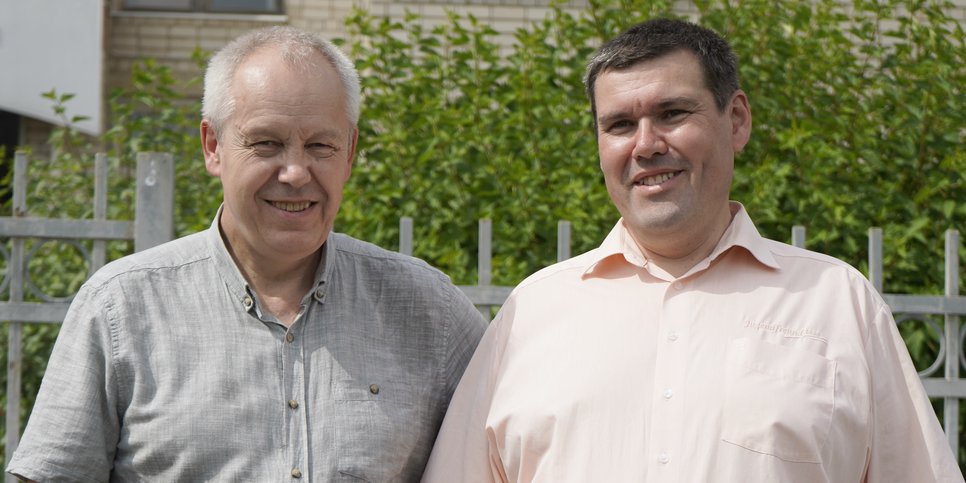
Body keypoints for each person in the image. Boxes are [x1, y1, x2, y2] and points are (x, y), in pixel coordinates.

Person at [422, 18, 963, 482]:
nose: (646, 144)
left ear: (737, 121)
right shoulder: (532, 313)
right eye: (618, 125)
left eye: (673, 113)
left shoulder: (837, 302)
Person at [7, 26, 486, 482]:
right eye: (267, 143)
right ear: (213, 147)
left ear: (350, 152)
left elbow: (517, 453)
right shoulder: (121, 310)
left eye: (320, 145)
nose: (296, 172)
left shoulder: (429, 312)